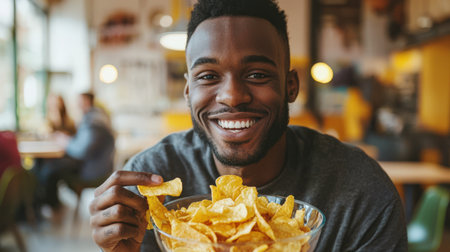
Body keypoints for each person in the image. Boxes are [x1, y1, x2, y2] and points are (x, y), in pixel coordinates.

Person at [89, 0, 407, 251]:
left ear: (290, 86)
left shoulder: (362, 193)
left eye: (257, 74)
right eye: (208, 76)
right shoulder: (147, 188)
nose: (232, 97)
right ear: (188, 92)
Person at [36, 92, 115, 208]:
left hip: (91, 171)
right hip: (97, 166)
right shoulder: (96, 117)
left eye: (79, 101)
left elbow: (82, 150)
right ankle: (51, 204)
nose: (76, 104)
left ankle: (47, 205)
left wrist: (66, 142)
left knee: (49, 170)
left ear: (86, 102)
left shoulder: (93, 121)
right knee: (49, 167)